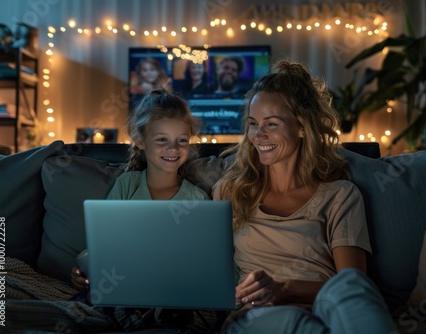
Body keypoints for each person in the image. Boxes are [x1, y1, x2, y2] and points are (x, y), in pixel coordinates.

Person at [212, 60, 397, 333]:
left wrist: (284, 288)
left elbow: (353, 284)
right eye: (253, 123)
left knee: (349, 288)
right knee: (293, 322)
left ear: (301, 127)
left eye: (271, 124)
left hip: (326, 310)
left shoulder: (340, 195)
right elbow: (211, 274)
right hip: (257, 315)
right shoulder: (231, 190)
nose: (258, 135)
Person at [71, 89, 208, 291]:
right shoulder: (127, 185)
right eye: (162, 139)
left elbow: (204, 258)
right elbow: (102, 241)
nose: (173, 148)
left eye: (182, 140)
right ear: (141, 141)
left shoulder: (198, 199)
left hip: (176, 289)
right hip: (125, 285)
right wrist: (83, 272)